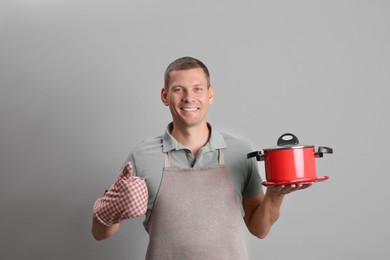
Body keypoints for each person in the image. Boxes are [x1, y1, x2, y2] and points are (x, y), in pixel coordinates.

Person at [91, 56, 312, 259]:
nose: (189, 98)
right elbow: (99, 234)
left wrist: (274, 195)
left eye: (197, 89)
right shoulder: (142, 155)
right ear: (165, 96)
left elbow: (259, 229)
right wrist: (112, 210)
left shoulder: (239, 151)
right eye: (178, 89)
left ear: (210, 94)